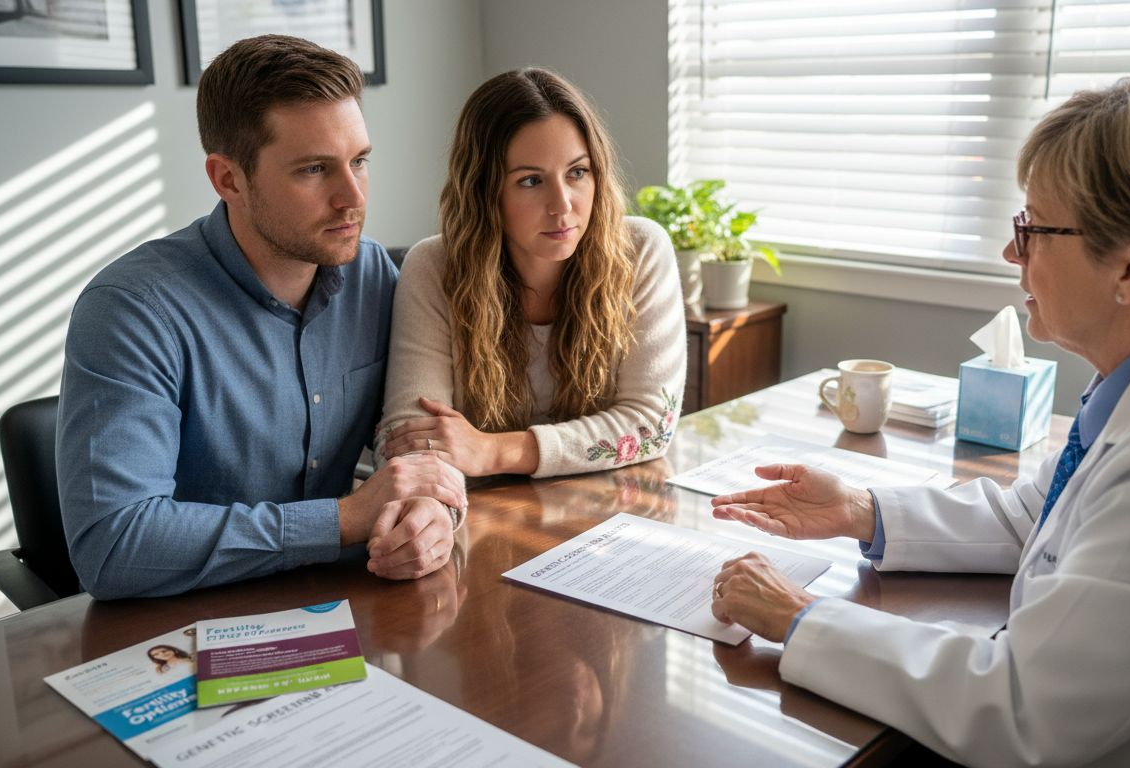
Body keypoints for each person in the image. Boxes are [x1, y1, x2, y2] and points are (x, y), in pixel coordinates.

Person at [709, 71, 1130, 767]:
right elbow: (1039, 521)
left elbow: (1018, 710)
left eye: (1033, 229)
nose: (1011, 254)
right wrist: (861, 509)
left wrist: (800, 618)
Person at [57, 35, 467, 601]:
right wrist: (343, 520)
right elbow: (113, 546)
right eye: (314, 169)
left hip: (337, 605)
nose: (353, 198)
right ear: (228, 179)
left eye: (360, 161)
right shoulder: (132, 310)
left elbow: (413, 439)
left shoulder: (372, 274)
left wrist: (433, 511)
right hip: (184, 626)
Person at [376, 68, 686, 479]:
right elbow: (411, 441)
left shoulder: (641, 251)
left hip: (607, 509)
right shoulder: (434, 267)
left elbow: (651, 425)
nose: (562, 205)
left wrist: (494, 451)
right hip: (483, 515)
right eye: (530, 181)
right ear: (485, 191)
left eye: (578, 172)